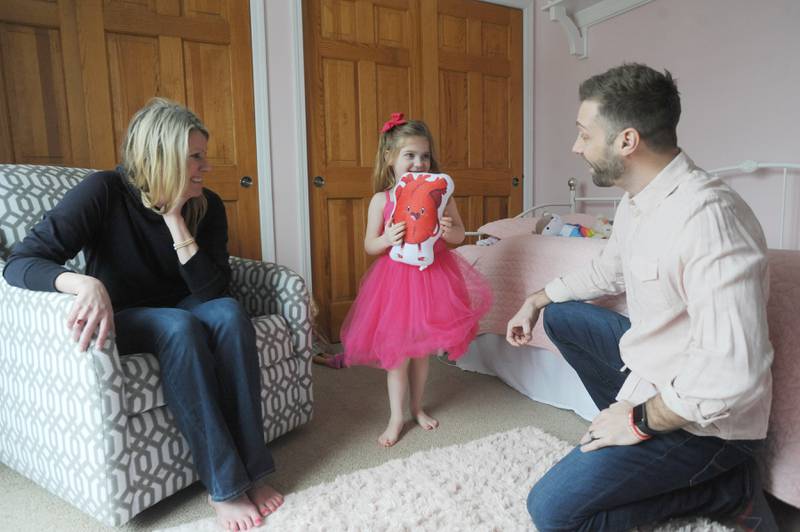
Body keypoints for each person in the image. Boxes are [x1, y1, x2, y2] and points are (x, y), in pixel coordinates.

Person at [506, 64, 778, 531]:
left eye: (584, 134)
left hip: (708, 424)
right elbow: (610, 269)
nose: (576, 146)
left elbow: (731, 373)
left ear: (627, 141)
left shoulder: (708, 219)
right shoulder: (637, 198)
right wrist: (536, 297)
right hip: (653, 369)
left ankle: (726, 490)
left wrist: (639, 421)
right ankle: (629, 442)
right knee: (564, 317)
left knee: (552, 512)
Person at [3, 98, 284, 531]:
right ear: (163, 155)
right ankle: (225, 486)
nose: (204, 167)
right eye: (195, 157)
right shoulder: (103, 191)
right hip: (129, 314)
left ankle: (256, 471)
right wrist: (82, 283)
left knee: (227, 313)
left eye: (202, 156)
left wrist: (175, 219)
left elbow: (213, 292)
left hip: (184, 303)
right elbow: (21, 261)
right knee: (179, 325)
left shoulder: (205, 205)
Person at [340, 112, 492, 447]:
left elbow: (455, 238)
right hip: (395, 283)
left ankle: (417, 406)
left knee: (422, 352)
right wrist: (386, 239)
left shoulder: (441, 194)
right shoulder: (382, 200)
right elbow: (369, 244)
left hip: (433, 276)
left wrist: (452, 231)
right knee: (397, 354)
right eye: (410, 155)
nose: (419, 162)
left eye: (424, 156)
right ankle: (396, 416)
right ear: (389, 158)